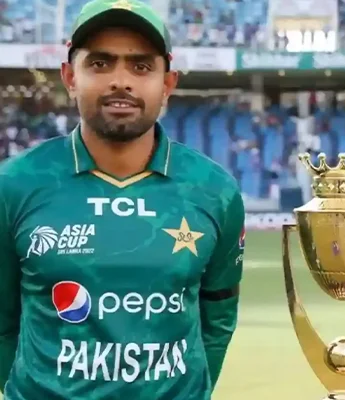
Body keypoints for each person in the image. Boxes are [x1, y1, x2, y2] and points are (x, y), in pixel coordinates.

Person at [0, 0, 245, 398]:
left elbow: (217, 320)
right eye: (99, 63)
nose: (121, 81)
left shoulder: (214, 189)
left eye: (141, 66)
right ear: (69, 77)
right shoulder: (15, 183)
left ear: (168, 83)